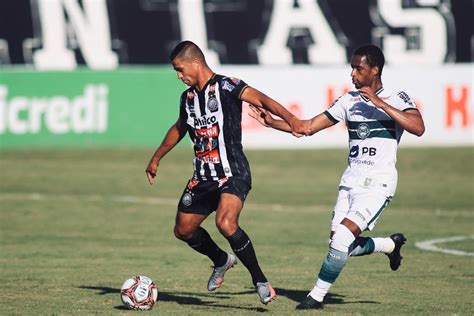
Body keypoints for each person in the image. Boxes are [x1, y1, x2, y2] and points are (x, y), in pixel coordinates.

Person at [250, 44, 425, 309]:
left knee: (342, 239)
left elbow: (418, 127)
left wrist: (379, 103)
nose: (352, 73)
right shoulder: (348, 100)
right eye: (352, 67)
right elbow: (307, 127)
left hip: (378, 183)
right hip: (350, 182)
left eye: (359, 68)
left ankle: (316, 297)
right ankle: (390, 245)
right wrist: (272, 122)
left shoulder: (397, 97)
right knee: (343, 245)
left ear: (375, 70)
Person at [145, 40, 308, 305]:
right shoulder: (186, 98)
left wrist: (292, 120)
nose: (179, 76)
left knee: (225, 223)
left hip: (233, 173)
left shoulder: (228, 86)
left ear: (195, 63)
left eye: (180, 69)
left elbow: (263, 99)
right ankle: (221, 260)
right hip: (202, 177)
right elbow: (179, 128)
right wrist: (156, 158)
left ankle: (260, 281)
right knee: (183, 230)